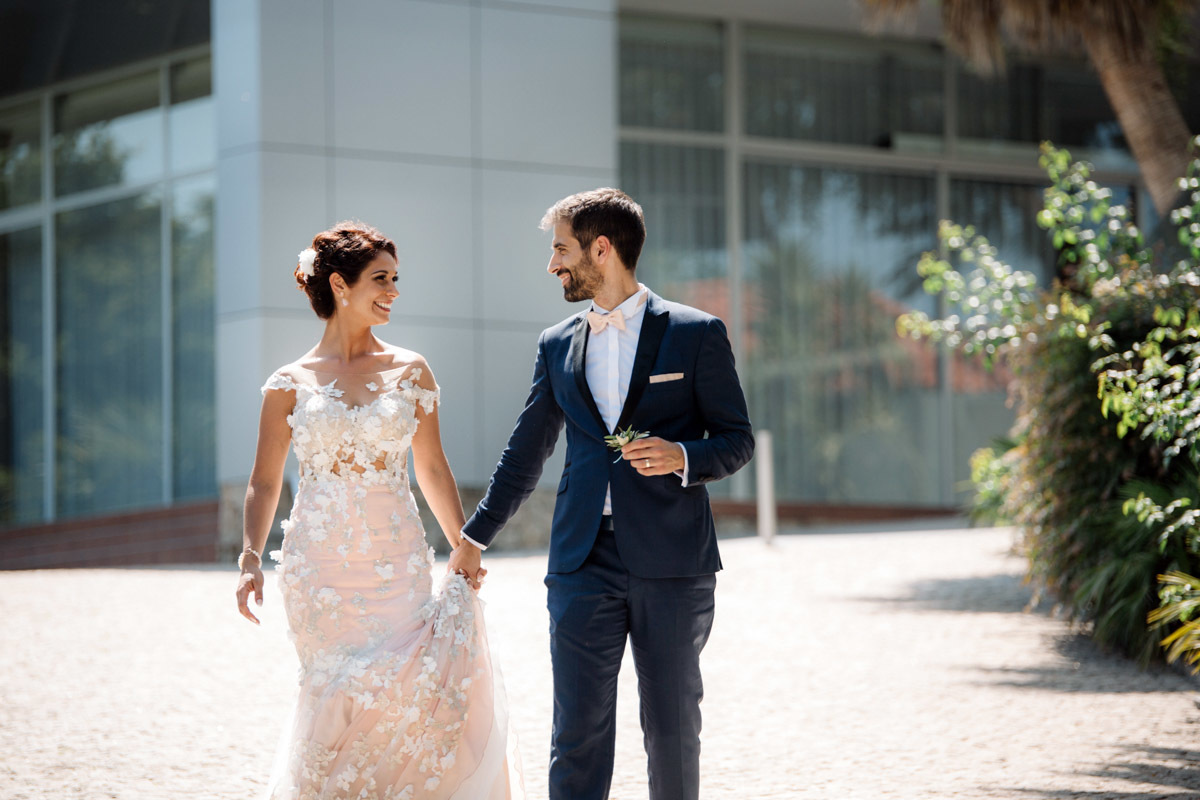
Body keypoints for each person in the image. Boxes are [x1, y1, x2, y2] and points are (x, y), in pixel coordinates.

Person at [448, 188, 754, 800]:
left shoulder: (695, 334)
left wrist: (682, 456)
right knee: (577, 735)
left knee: (671, 731)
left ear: (602, 248)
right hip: (582, 562)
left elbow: (736, 439)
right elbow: (525, 451)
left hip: (672, 561)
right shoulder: (557, 344)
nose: (553, 264)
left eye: (561, 248)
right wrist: (472, 536)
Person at [234, 221, 522, 799]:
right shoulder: (287, 384)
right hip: (319, 573)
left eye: (396, 279)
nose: (393, 290)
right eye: (381, 279)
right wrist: (249, 555)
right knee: (334, 693)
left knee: (404, 688)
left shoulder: (411, 370)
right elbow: (265, 483)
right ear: (340, 285)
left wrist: (465, 544)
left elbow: (432, 469)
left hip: (395, 562)